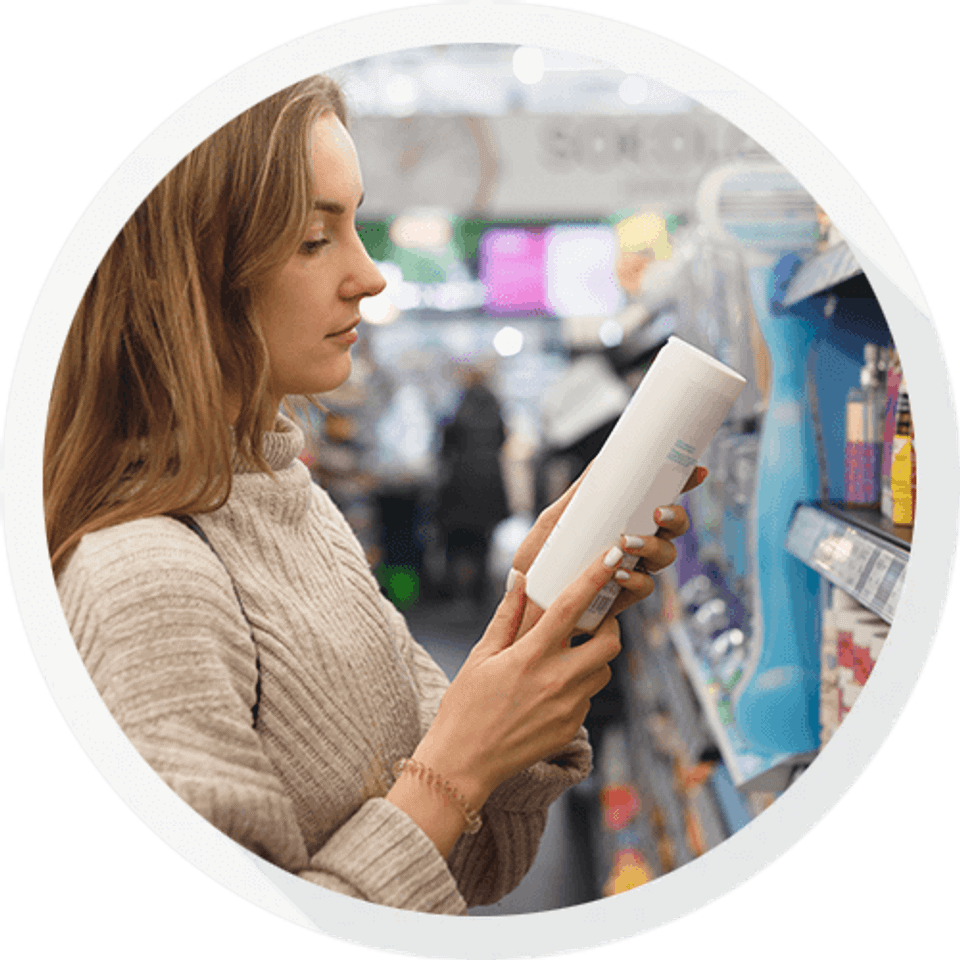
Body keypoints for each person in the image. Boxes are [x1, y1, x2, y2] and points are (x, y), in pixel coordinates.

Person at [44, 75, 705, 915]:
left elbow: (477, 857)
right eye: (317, 238)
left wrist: (545, 614)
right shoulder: (142, 576)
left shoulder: (296, 507)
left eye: (354, 224)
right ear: (194, 272)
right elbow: (441, 797)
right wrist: (454, 772)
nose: (370, 275)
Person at [437, 363, 511, 612]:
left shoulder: (458, 407)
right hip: (490, 482)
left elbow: (445, 447)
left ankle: (459, 595)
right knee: (484, 541)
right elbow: (503, 440)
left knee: (457, 542)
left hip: (460, 483)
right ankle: (482, 595)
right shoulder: (496, 407)